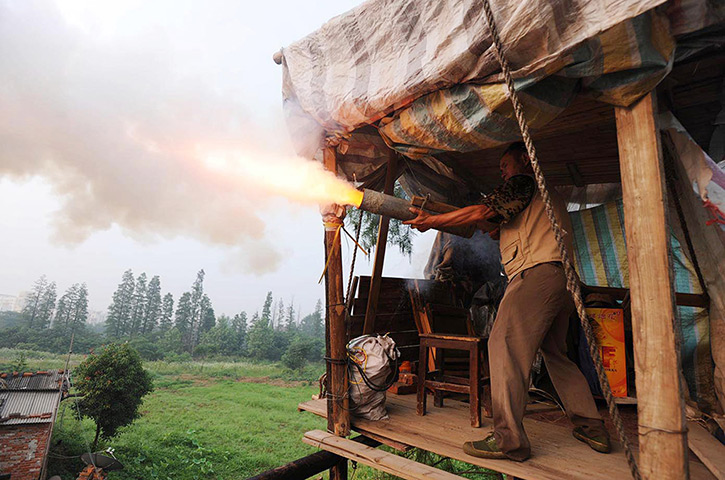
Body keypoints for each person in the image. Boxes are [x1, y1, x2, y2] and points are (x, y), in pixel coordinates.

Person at [404, 142, 610, 461]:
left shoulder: (524, 181)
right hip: (561, 279)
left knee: (502, 342)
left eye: (505, 165)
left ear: (525, 161)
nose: (502, 172)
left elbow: (485, 212)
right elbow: (490, 226)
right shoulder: (541, 193)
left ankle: (507, 438)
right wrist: (455, 219)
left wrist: (432, 221)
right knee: (557, 353)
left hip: (536, 273)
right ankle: (590, 424)